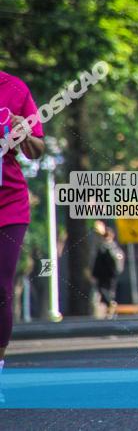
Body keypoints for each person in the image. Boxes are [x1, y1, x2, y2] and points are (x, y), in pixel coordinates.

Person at [0, 71, 46, 383]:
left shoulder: (14, 89)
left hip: (7, 204)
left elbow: (37, 149)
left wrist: (23, 134)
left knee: (0, 288)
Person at [91, 221, 125, 319]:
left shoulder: (103, 248)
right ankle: (109, 310)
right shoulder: (116, 248)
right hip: (113, 276)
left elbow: (97, 263)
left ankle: (109, 306)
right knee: (109, 293)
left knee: (101, 293)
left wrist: (94, 274)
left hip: (103, 276)